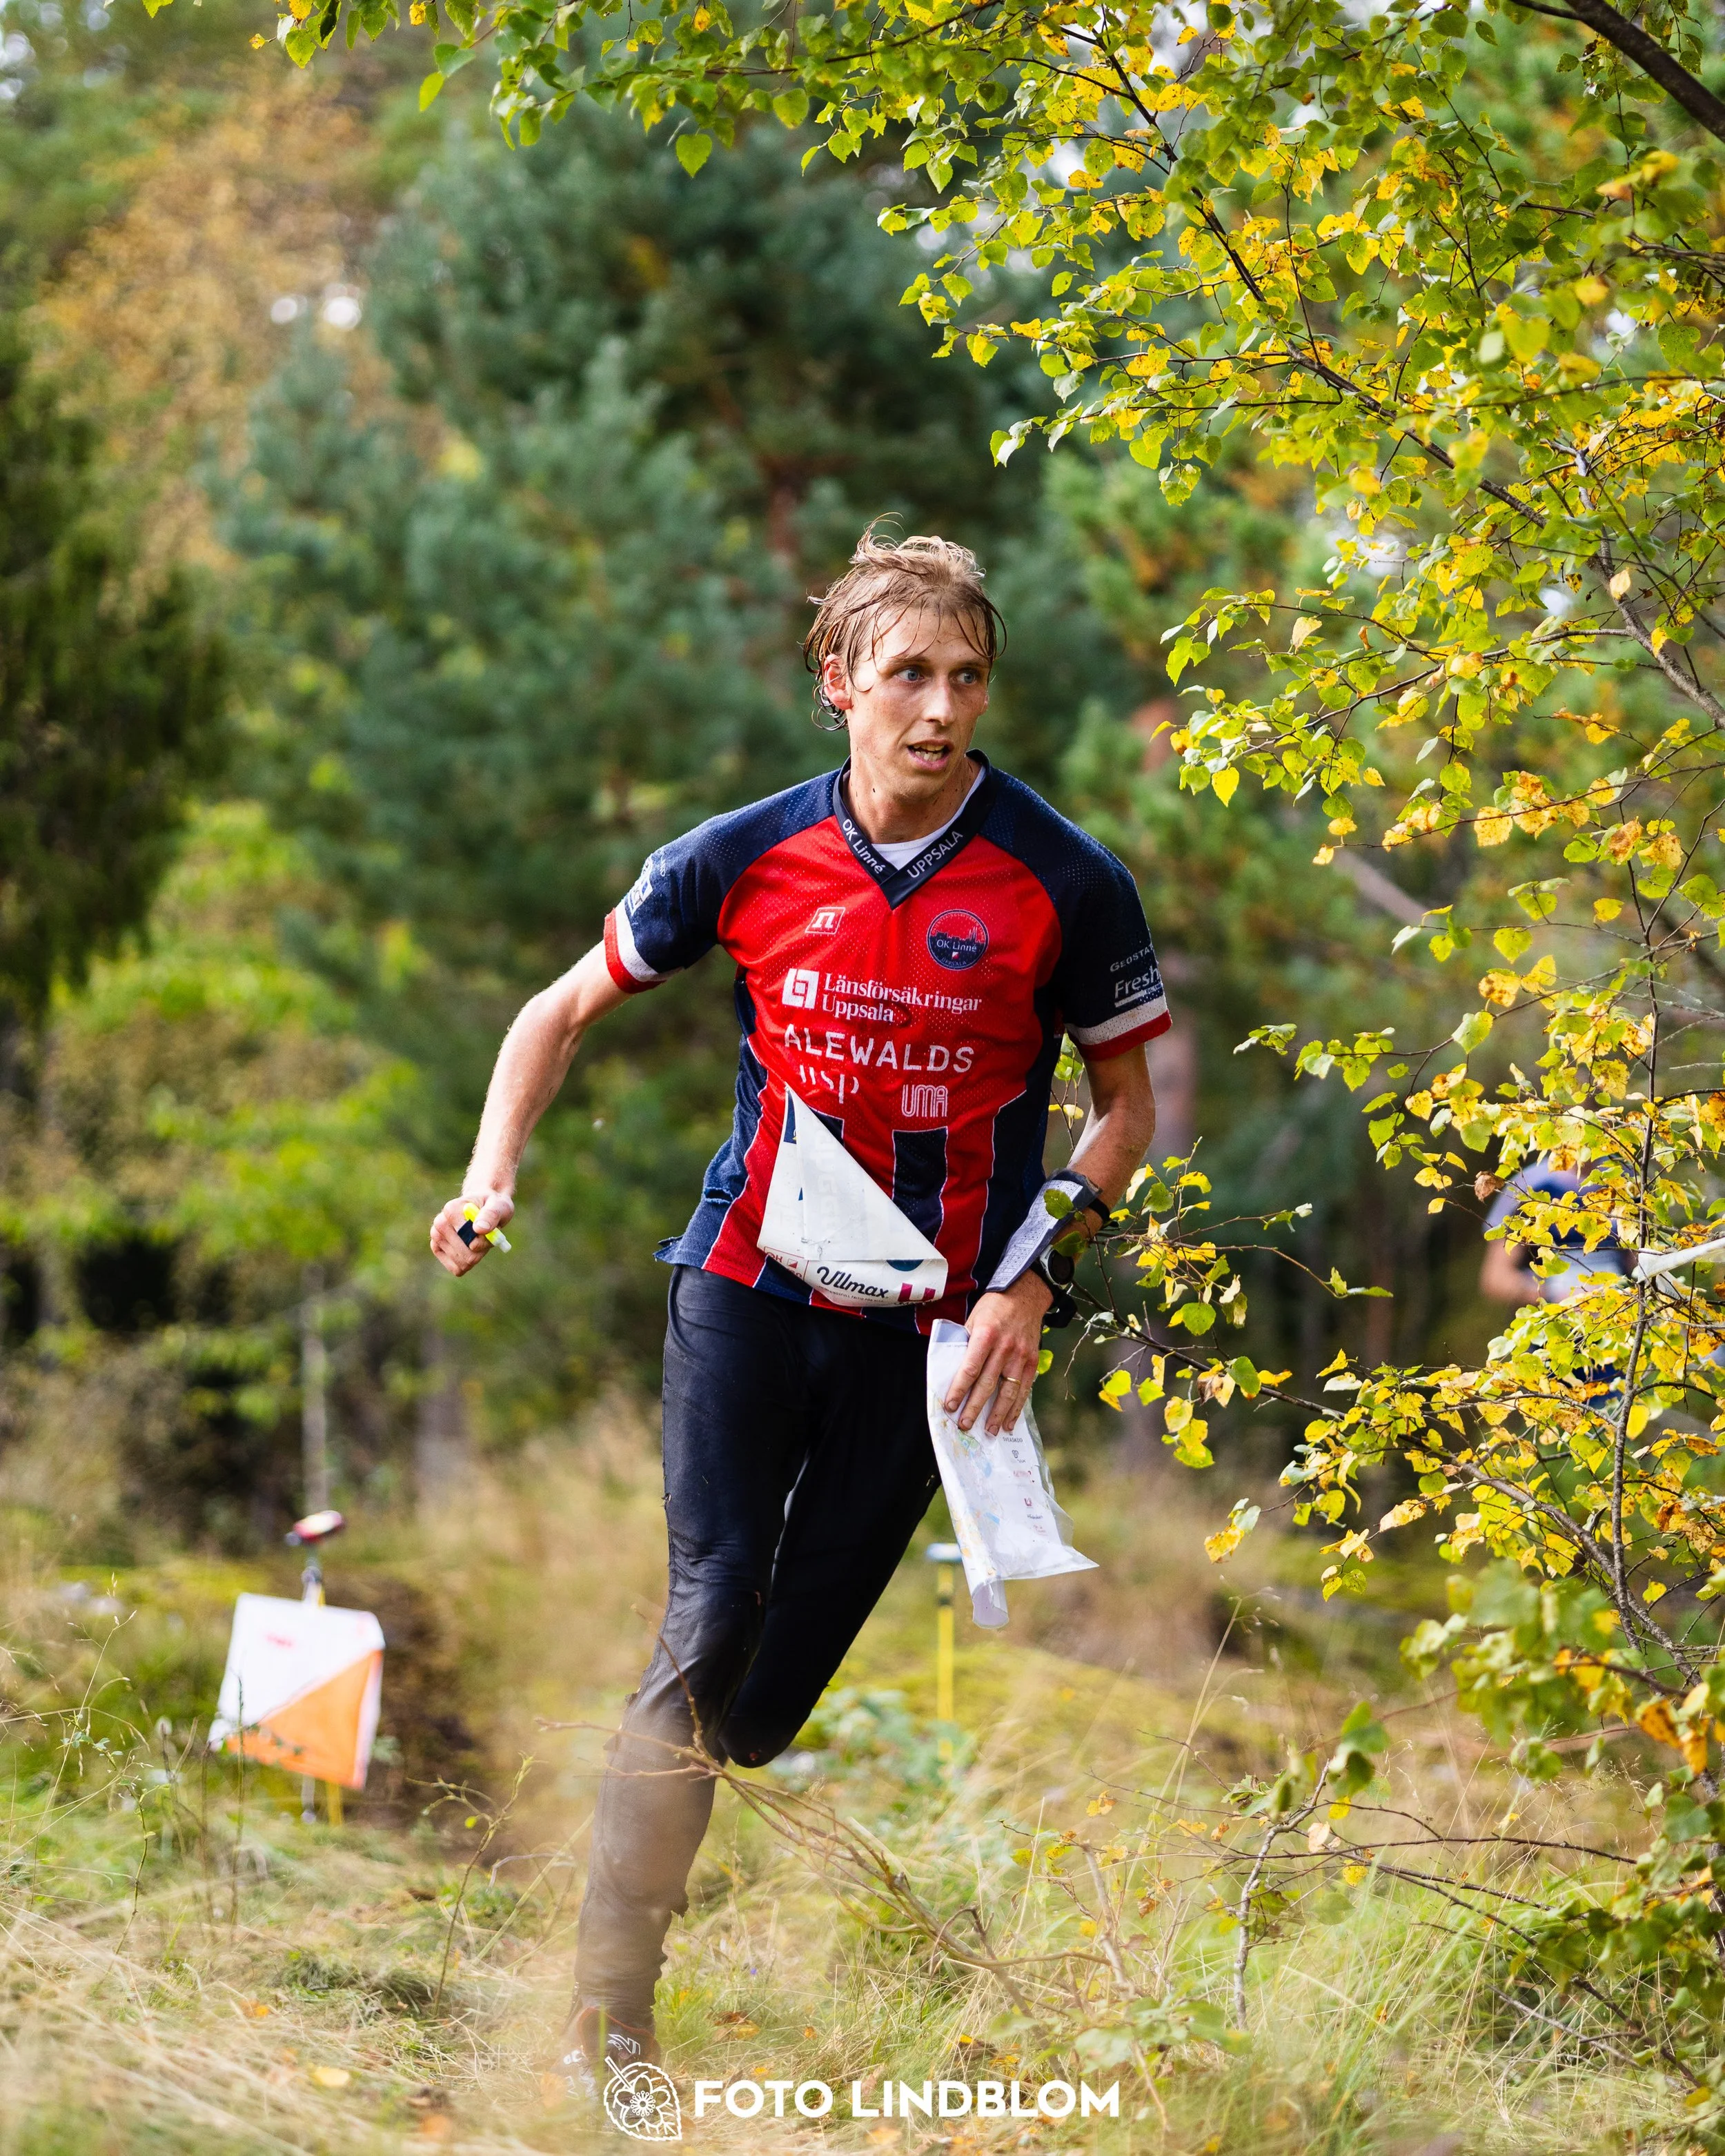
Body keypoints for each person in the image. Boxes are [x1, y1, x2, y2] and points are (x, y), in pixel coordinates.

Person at [427, 528, 1167, 2086]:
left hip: (931, 1340)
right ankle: (609, 2023)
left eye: (968, 677)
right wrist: (493, 1174)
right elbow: (553, 1011)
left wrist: (1039, 1266)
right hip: (747, 1284)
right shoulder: (748, 852)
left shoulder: (1063, 878)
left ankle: (661, 1780)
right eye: (908, 673)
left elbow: (1125, 1107)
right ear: (839, 681)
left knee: (750, 1710)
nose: (940, 707)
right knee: (706, 1616)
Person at [1479, 1158, 1627, 1306]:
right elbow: (1497, 1277)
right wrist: (1555, 1298)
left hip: (1620, 1313)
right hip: (1552, 1316)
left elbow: (1641, 1262)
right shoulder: (1531, 1186)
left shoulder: (1627, 1181)